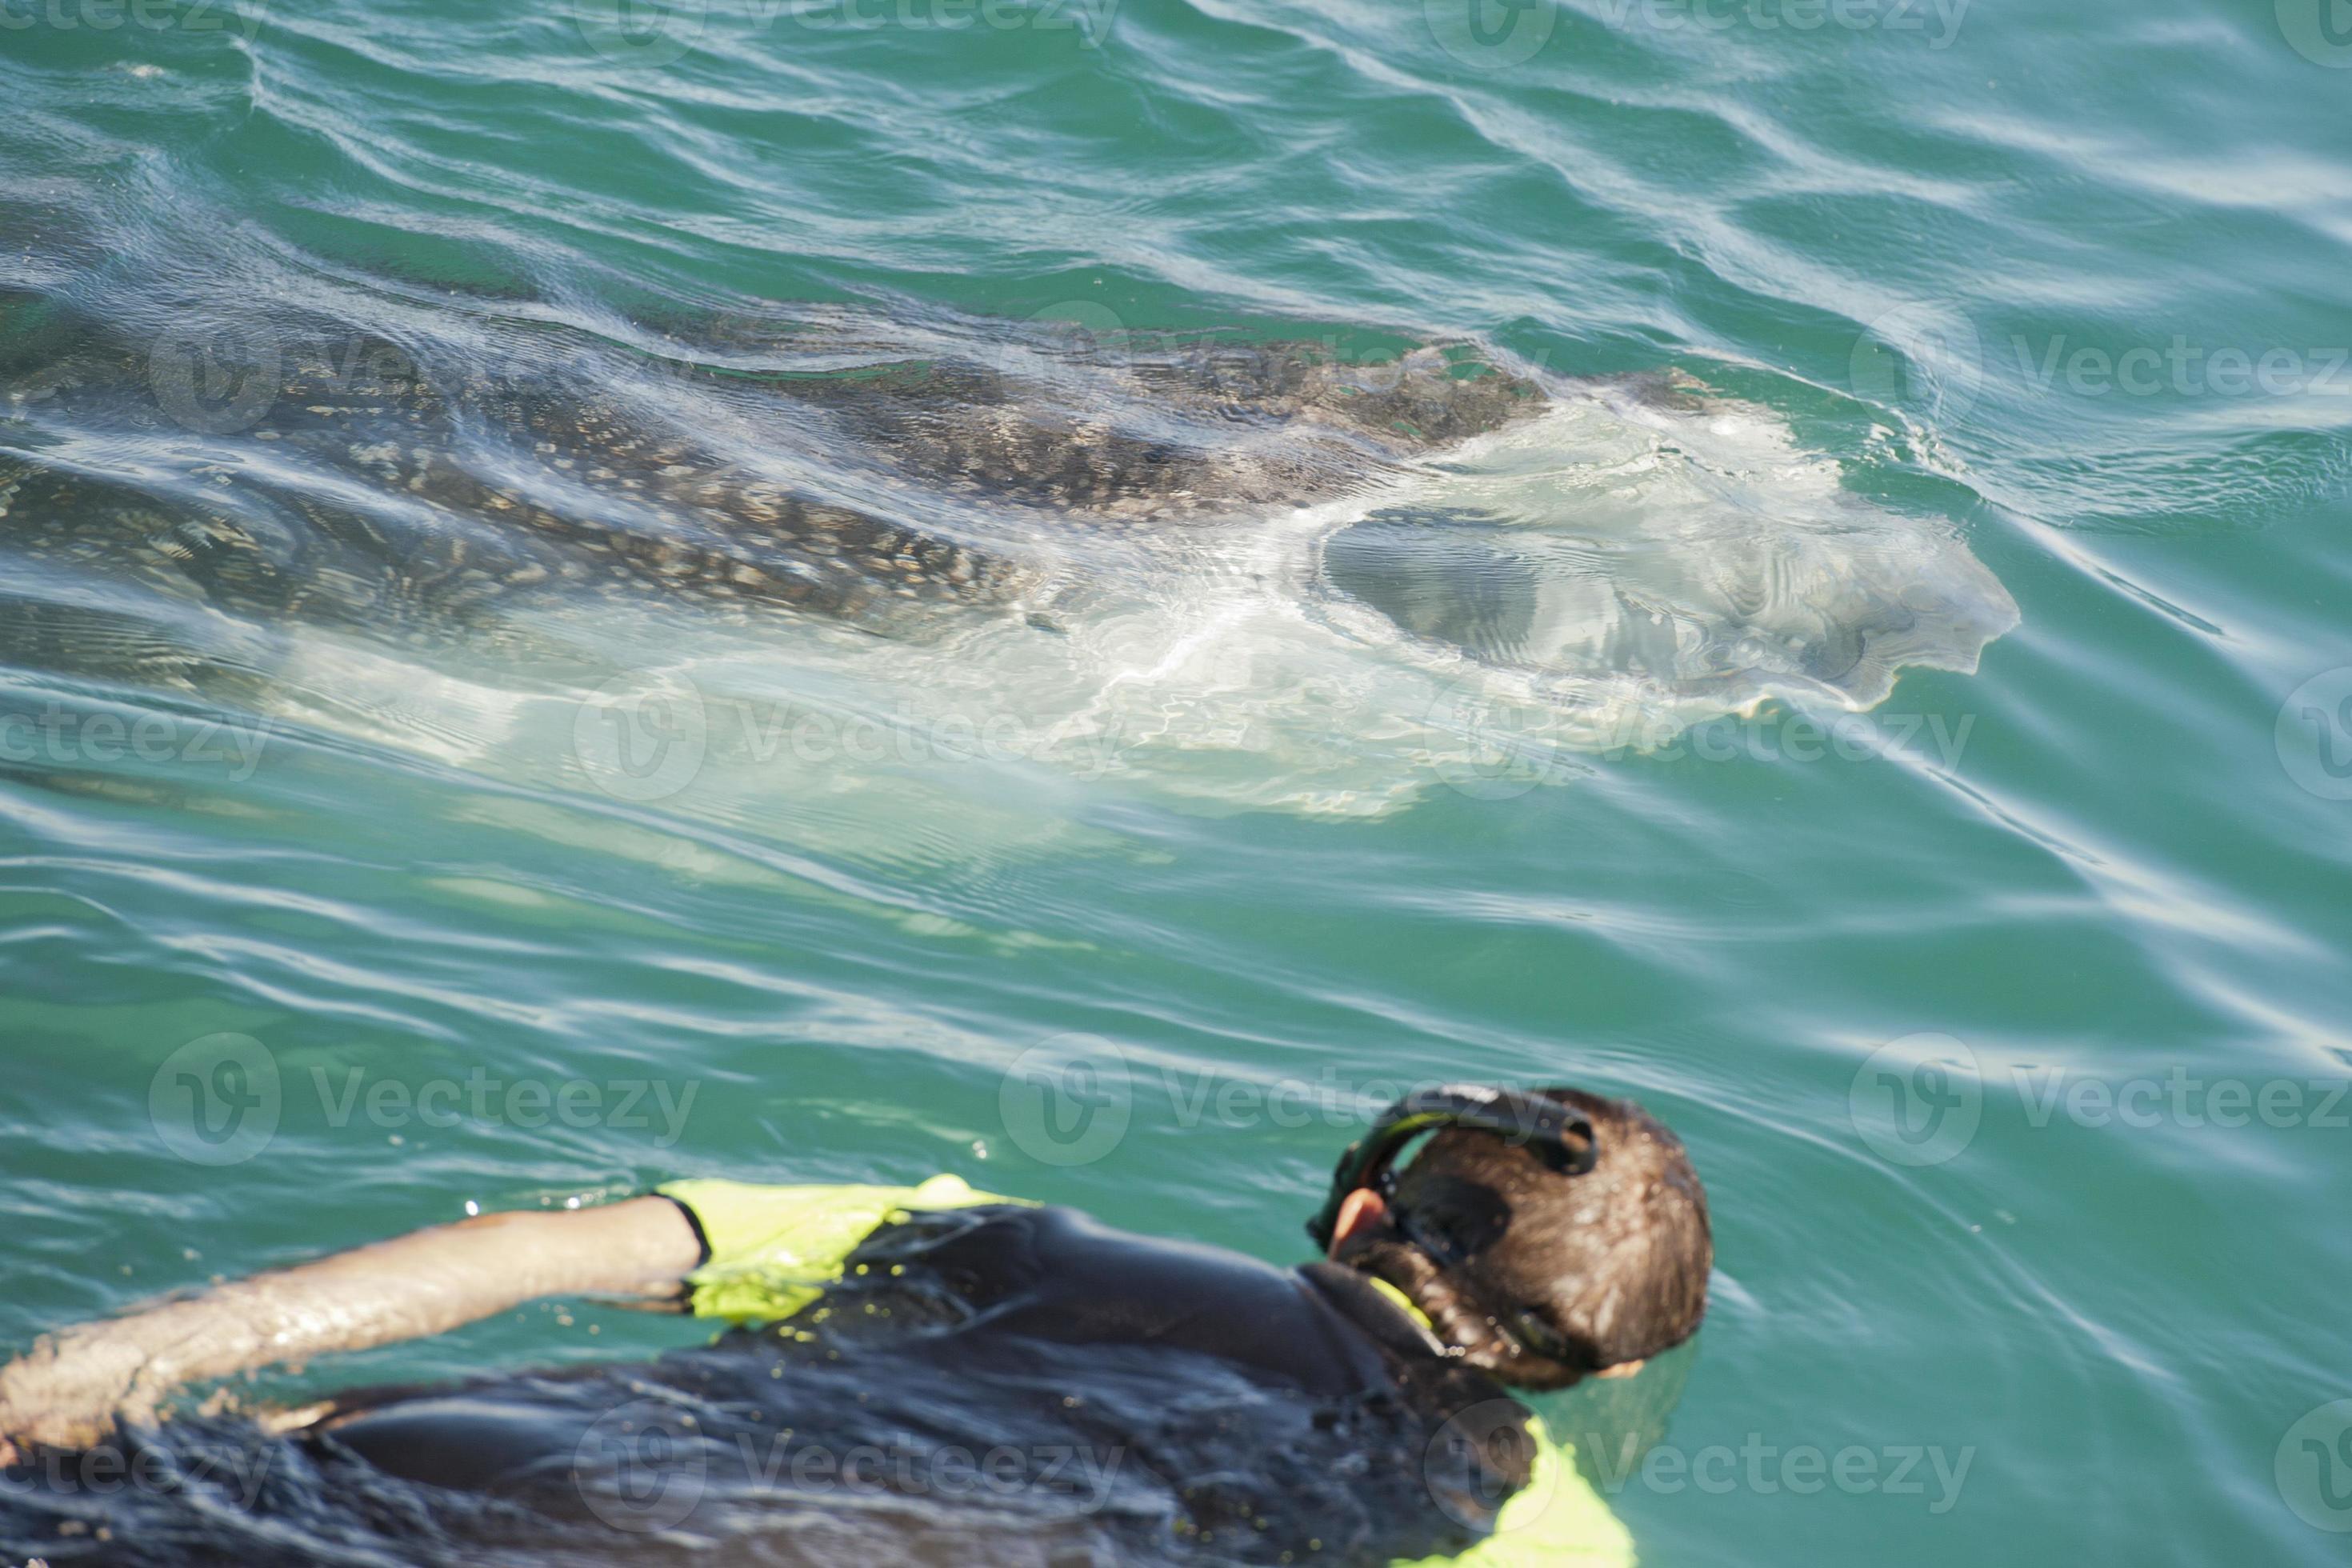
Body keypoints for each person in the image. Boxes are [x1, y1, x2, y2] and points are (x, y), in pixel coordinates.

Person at [0, 1085, 1710, 1566]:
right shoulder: (1534, 1528)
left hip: (439, 1461)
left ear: (1357, 1218)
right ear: (1611, 1369)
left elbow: (528, 1249)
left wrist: (71, 1375)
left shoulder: (1013, 1236)